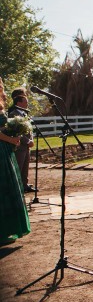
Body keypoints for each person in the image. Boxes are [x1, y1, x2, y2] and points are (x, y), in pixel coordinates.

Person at [0, 78, 31, 245]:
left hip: (5, 149)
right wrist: (11, 140)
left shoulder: (3, 106)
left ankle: (7, 228)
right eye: (2, 89)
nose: (4, 93)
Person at [7, 93, 35, 192]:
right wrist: (27, 141)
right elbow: (17, 131)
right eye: (25, 102)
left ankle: (24, 184)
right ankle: (17, 186)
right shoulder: (13, 114)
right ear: (19, 102)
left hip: (27, 145)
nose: (27, 103)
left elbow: (28, 129)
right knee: (19, 166)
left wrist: (31, 139)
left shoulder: (25, 114)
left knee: (26, 166)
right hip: (20, 145)